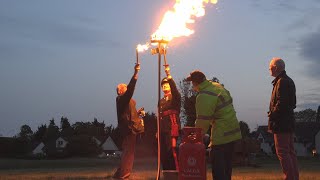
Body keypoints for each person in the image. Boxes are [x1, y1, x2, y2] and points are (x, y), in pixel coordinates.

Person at [186, 70, 242, 180]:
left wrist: (195, 137)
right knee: (227, 169)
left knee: (219, 169)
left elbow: (202, 121)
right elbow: (229, 100)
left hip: (221, 134)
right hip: (233, 132)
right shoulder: (216, 86)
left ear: (195, 83)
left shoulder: (204, 95)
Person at [268, 57, 299, 180]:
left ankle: (290, 177)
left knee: (283, 152)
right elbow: (292, 103)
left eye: (270, 67)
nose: (269, 69)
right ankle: (293, 177)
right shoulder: (287, 81)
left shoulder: (282, 82)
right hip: (287, 122)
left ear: (275, 68)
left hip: (281, 123)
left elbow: (282, 103)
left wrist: (272, 114)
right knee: (290, 152)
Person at [113, 63, 141, 179]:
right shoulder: (121, 99)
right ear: (120, 91)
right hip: (129, 129)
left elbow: (129, 114)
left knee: (128, 152)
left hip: (130, 128)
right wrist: (135, 74)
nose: (127, 90)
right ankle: (124, 175)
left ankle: (119, 174)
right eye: (124, 89)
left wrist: (138, 113)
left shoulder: (127, 102)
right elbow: (130, 90)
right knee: (128, 153)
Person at [159, 64, 181, 171]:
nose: (164, 86)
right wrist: (157, 130)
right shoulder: (161, 101)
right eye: (162, 85)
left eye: (166, 84)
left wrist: (168, 75)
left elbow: (174, 89)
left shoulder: (175, 97)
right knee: (163, 152)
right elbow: (159, 116)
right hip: (163, 129)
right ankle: (167, 172)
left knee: (172, 150)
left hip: (172, 127)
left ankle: (175, 172)